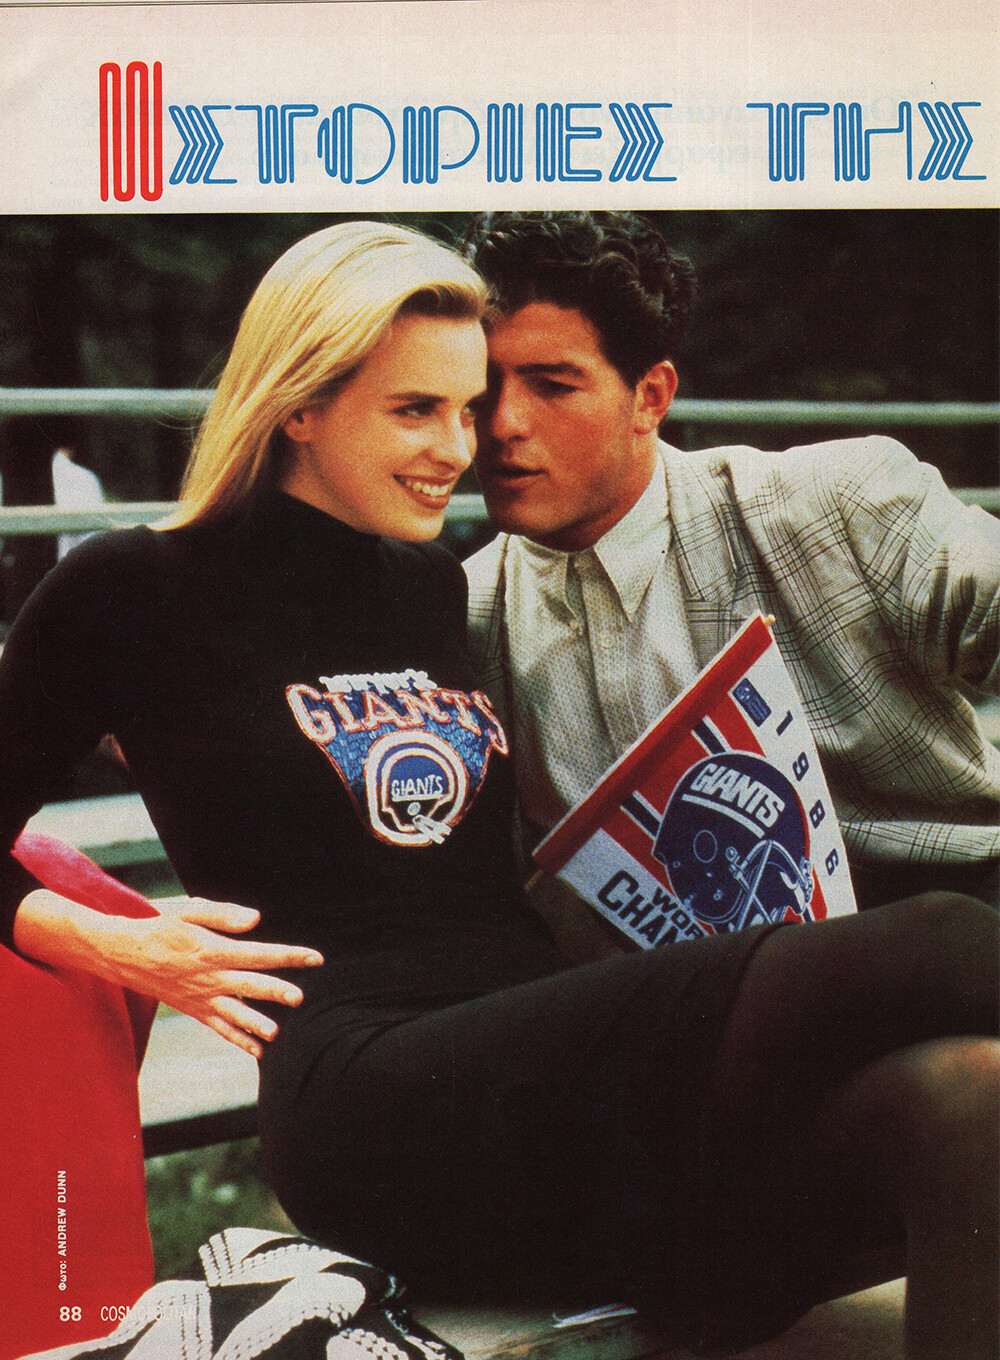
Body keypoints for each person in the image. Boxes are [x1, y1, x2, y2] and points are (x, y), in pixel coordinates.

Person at [0, 219, 995, 1360]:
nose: (460, 447)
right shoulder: (128, 586)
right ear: (300, 403)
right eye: (414, 410)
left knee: (966, 1101)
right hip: (371, 1089)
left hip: (552, 1075)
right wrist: (120, 944)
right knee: (929, 942)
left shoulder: (433, 587)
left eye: (465, 409)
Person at [463, 210, 1000, 912]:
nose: (503, 424)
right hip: (713, 969)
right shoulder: (466, 613)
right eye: (480, 388)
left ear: (650, 397)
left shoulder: (833, 501)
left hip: (955, 916)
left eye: (552, 386)